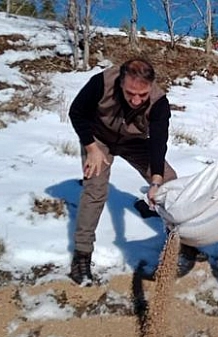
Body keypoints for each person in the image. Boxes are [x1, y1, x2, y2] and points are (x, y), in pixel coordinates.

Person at [68, 58, 181, 285]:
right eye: (130, 93)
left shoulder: (159, 103)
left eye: (142, 94)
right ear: (121, 82)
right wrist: (91, 148)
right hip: (98, 138)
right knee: (96, 189)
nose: (136, 100)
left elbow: (159, 143)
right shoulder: (102, 83)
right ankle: (81, 255)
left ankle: (177, 243)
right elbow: (77, 112)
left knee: (170, 182)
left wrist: (156, 182)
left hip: (133, 142)